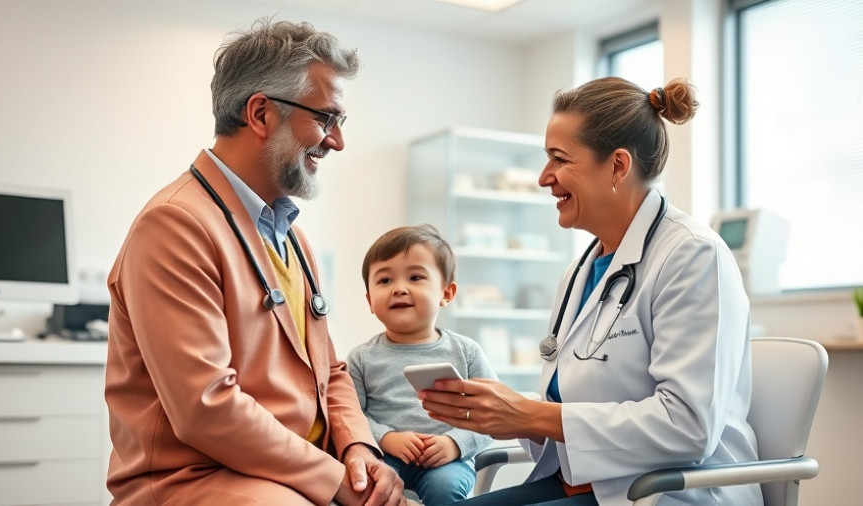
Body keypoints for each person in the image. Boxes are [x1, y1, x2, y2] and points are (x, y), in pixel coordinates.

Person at [418, 77, 764, 506]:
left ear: (618, 165)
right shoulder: (583, 272)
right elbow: (574, 405)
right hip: (594, 483)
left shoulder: (694, 257)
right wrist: (503, 414)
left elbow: (687, 426)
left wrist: (530, 414)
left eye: (559, 159)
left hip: (670, 491)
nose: (545, 177)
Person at [104, 18, 406, 506]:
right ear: (261, 113)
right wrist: (333, 481)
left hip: (295, 470)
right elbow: (206, 408)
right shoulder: (174, 225)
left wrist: (357, 449)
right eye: (326, 118)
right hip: (198, 479)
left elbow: (328, 371)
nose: (337, 141)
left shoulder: (292, 237)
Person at [347, 225, 498, 505]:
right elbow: (352, 417)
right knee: (362, 489)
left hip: (447, 463)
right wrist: (387, 438)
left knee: (444, 489)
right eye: (384, 281)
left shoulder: (466, 352)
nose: (399, 289)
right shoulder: (361, 358)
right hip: (384, 457)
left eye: (415, 277)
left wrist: (454, 444)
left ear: (446, 293)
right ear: (369, 301)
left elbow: (492, 416)